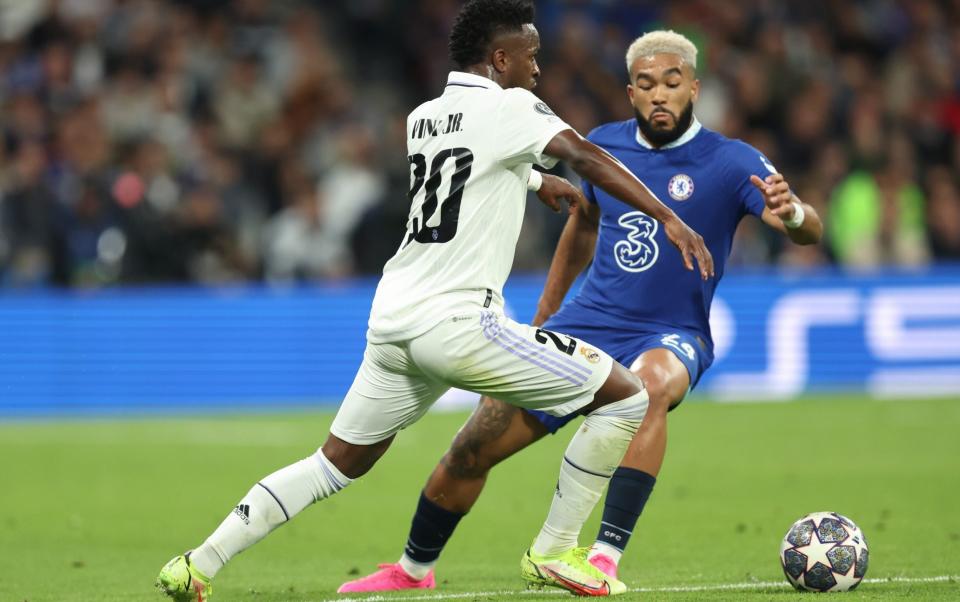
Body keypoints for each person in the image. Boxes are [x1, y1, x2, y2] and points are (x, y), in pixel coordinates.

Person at [156, 3, 714, 600]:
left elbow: (457, 174)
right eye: (530, 56)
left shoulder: (424, 116)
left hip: (394, 320)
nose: (537, 69)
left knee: (334, 463)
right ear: (500, 58)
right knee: (627, 397)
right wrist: (666, 216)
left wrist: (532, 179)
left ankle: (196, 564)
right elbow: (586, 157)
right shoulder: (512, 106)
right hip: (457, 322)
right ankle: (555, 552)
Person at [338, 29, 823, 594]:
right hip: (586, 324)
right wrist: (546, 313)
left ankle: (603, 554)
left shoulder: (730, 160)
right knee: (474, 447)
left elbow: (808, 230)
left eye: (671, 83)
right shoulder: (603, 145)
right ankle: (412, 570)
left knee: (651, 387)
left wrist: (792, 215)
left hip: (669, 332)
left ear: (693, 86)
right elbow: (582, 229)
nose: (659, 95)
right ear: (630, 91)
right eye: (646, 85)